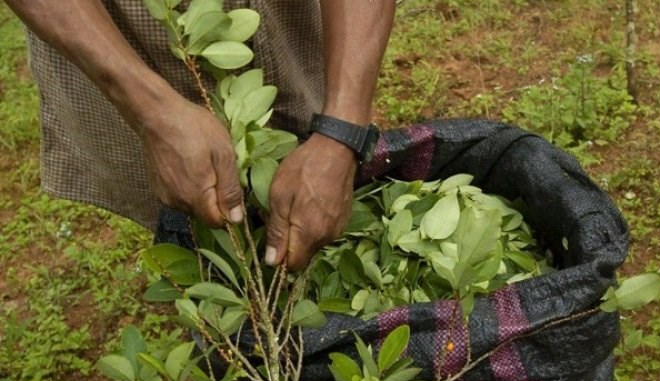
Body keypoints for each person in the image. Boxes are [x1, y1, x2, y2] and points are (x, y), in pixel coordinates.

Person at [4, 0, 396, 271]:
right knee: (197, 206)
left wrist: (342, 130)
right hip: (123, 41)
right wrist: (149, 109)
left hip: (287, 26)